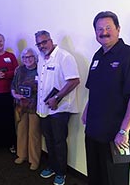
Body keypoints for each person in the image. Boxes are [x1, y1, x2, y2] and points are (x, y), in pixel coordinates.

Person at [81, 11, 130, 185]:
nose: (103, 32)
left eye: (108, 27)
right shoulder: (97, 56)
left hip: (116, 136)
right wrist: (86, 111)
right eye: (99, 29)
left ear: (118, 29)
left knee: (115, 180)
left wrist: (124, 131)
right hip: (94, 131)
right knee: (96, 176)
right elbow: (94, 90)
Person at [35, 30, 80, 185]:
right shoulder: (41, 58)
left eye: (44, 42)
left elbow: (74, 81)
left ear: (51, 40)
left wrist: (57, 97)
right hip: (44, 107)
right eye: (39, 44)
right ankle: (53, 166)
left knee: (59, 140)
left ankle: (61, 172)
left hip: (60, 109)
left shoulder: (64, 57)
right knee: (48, 138)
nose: (42, 46)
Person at [11, 48, 41, 170]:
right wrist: (14, 94)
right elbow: (13, 85)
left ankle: (34, 160)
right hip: (21, 105)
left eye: (30, 57)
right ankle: (21, 155)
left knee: (34, 133)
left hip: (34, 106)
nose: (27, 60)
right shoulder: (19, 70)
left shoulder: (40, 70)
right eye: (24, 57)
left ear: (34, 57)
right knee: (21, 130)